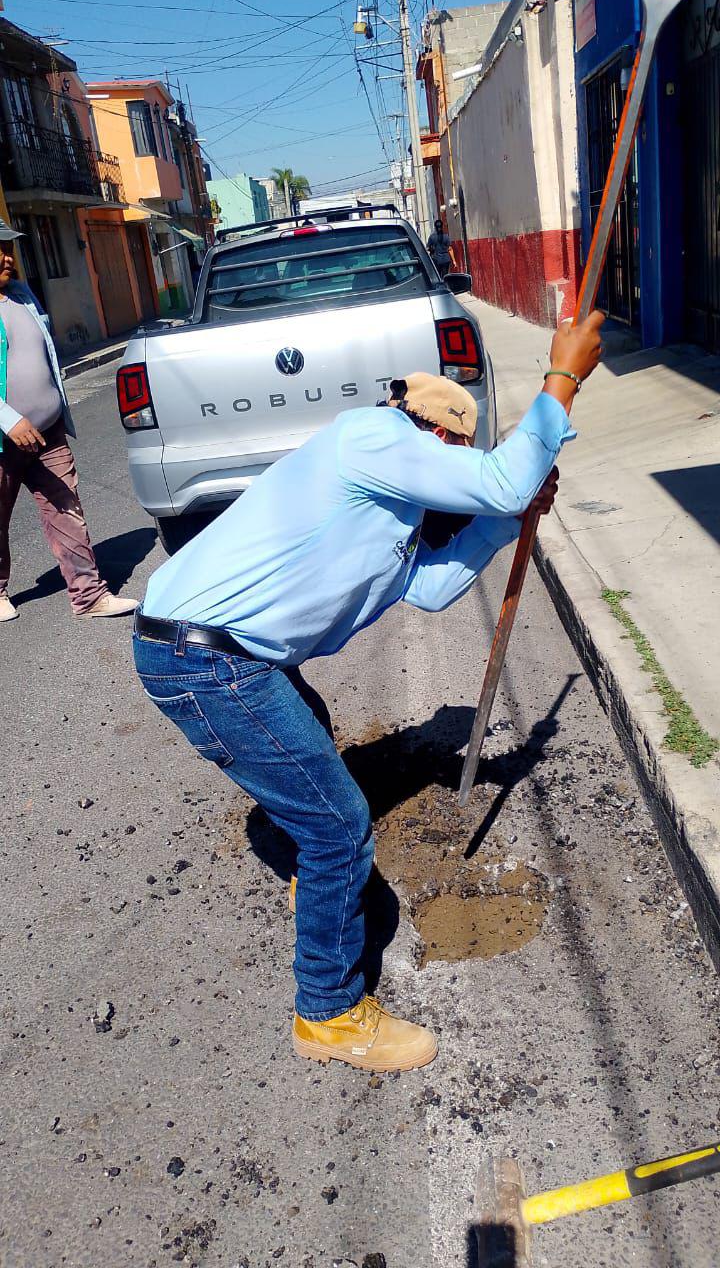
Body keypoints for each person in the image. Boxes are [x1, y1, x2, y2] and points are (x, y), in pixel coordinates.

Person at [132, 311, 604, 1073]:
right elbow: (502, 476)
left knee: (308, 736)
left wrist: (512, 520)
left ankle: (310, 879)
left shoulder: (384, 513)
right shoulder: (378, 439)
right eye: (457, 456)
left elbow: (435, 588)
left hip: (219, 651)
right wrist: (564, 377)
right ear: (438, 439)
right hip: (207, 661)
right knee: (340, 825)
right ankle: (329, 1012)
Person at [0, 222, 137, 622]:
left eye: (8, 246)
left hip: (49, 430)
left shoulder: (21, 295)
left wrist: (52, 407)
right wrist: (9, 420)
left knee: (66, 509)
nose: (8, 255)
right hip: (5, 439)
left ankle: (89, 595)